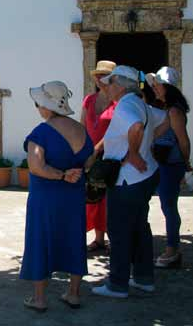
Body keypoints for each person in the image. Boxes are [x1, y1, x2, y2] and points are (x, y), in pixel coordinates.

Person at [92, 66, 168, 298]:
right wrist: (147, 143)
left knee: (119, 231)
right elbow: (165, 119)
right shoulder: (139, 102)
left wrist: (134, 152)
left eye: (110, 82)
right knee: (139, 227)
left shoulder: (125, 105)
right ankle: (144, 278)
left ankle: (117, 284)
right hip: (145, 175)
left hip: (128, 179)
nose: (106, 86)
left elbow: (135, 126)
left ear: (121, 84)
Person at [20, 81, 94, 312]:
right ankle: (73, 294)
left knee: (40, 240)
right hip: (73, 195)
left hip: (46, 197)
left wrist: (61, 175)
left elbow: (35, 166)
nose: (37, 108)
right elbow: (90, 160)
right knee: (74, 238)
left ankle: (39, 299)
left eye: (38, 104)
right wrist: (73, 172)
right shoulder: (80, 129)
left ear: (46, 105)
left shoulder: (40, 132)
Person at [146, 67, 191, 268]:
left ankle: (172, 250)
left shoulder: (173, 111)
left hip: (170, 165)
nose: (154, 88)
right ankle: (171, 249)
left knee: (169, 207)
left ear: (167, 87)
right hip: (163, 164)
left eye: (157, 84)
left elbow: (183, 141)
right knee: (166, 206)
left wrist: (185, 164)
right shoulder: (166, 108)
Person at [80, 60, 117, 253]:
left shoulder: (118, 103)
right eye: (97, 76)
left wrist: (96, 149)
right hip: (90, 155)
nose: (99, 79)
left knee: (108, 199)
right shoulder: (89, 100)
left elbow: (115, 132)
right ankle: (99, 239)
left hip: (109, 155)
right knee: (92, 196)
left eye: (104, 76)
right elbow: (82, 126)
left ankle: (113, 239)